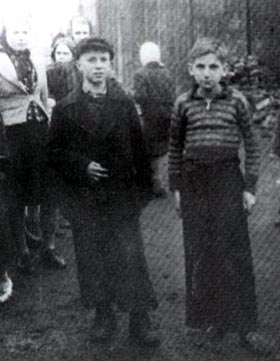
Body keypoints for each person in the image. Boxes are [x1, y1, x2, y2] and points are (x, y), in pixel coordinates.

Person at [47, 37, 159, 347]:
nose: (98, 66)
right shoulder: (66, 109)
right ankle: (103, 314)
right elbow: (54, 154)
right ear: (78, 64)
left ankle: (140, 319)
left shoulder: (123, 104)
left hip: (122, 199)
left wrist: (141, 195)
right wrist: (81, 166)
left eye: (103, 60)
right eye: (91, 60)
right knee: (93, 259)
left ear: (111, 65)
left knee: (130, 256)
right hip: (87, 199)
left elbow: (140, 150)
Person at [168, 37, 271, 354]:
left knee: (235, 254)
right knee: (200, 253)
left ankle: (245, 327)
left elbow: (252, 147)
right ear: (190, 69)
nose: (207, 73)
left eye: (214, 67)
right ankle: (207, 320)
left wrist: (250, 188)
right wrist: (176, 188)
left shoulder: (237, 101)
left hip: (228, 180)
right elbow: (174, 148)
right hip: (194, 182)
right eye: (200, 67)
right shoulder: (183, 103)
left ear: (225, 70)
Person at [0, 18, 51, 274]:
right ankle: (23, 252)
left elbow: (43, 95)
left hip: (39, 131)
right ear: (6, 35)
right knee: (17, 196)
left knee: (44, 191)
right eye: (15, 32)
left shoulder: (38, 60)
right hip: (12, 134)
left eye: (24, 31)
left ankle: (46, 247)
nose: (20, 36)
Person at [133, 42, 175, 197]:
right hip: (166, 115)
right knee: (159, 151)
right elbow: (171, 94)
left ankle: (153, 183)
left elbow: (140, 96)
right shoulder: (167, 73)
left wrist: (133, 95)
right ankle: (157, 182)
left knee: (148, 151)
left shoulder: (140, 74)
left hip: (150, 117)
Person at [47, 15, 93, 102]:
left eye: (85, 33)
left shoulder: (96, 54)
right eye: (77, 33)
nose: (82, 37)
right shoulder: (65, 53)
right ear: (71, 34)